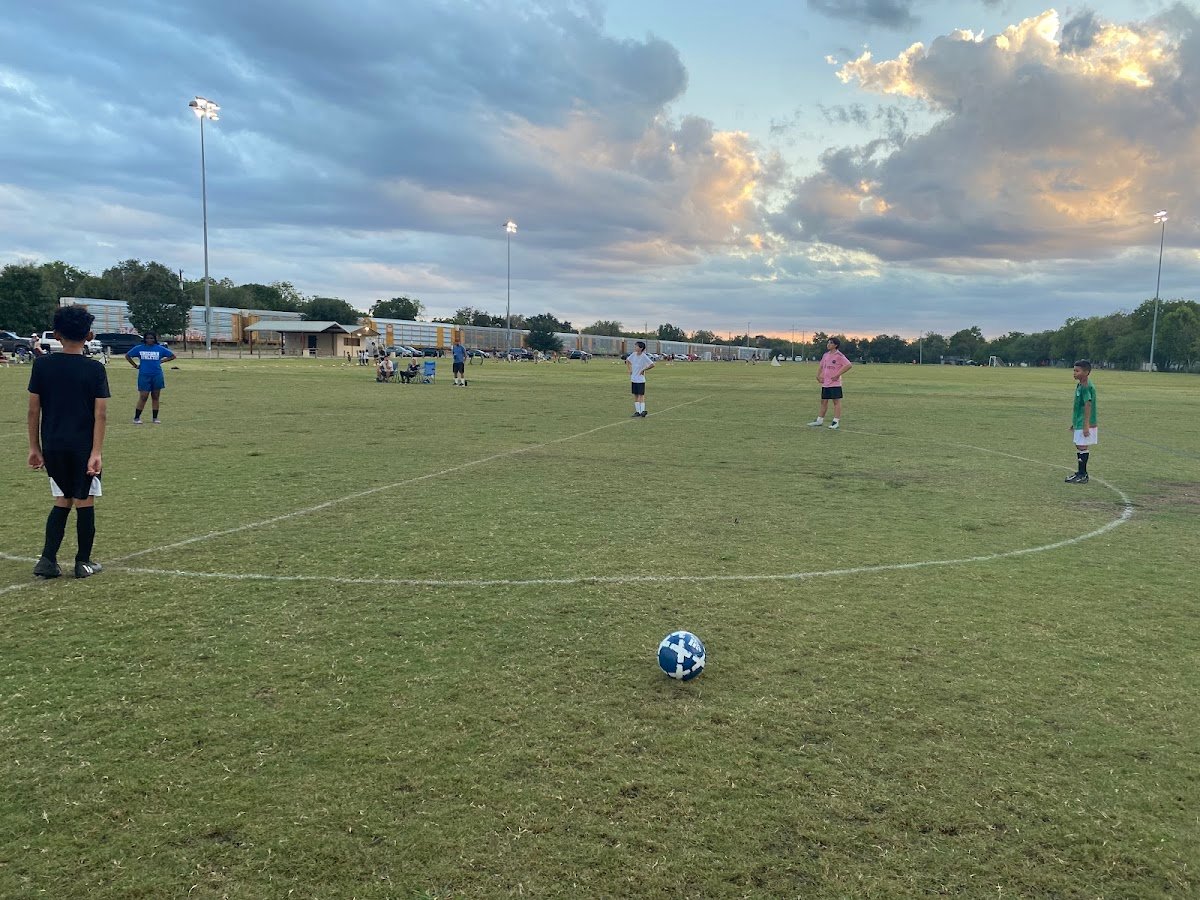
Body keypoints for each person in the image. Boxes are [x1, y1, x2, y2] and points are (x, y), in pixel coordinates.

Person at [27, 304, 110, 579]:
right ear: (89, 335)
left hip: (52, 444)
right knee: (84, 500)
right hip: (82, 446)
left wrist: (34, 447)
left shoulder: (42, 364)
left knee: (62, 498)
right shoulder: (95, 369)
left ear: (57, 334)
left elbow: (33, 410)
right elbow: (100, 414)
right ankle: (83, 562)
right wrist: (96, 452)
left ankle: (47, 560)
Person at [126, 332, 176, 424]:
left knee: (155, 396)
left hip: (157, 375)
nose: (150, 340)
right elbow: (128, 355)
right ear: (145, 339)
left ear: (155, 339)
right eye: (148, 338)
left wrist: (161, 361)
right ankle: (136, 418)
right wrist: (135, 365)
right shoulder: (139, 348)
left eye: (152, 338)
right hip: (144, 375)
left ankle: (155, 418)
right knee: (143, 396)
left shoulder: (159, 349)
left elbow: (172, 356)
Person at [808, 337, 853, 430]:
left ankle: (836, 421)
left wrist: (838, 374)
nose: (828, 344)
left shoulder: (839, 355)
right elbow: (821, 366)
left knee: (836, 402)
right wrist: (818, 375)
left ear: (835, 345)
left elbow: (848, 365)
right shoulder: (825, 355)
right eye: (828, 343)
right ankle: (819, 420)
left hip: (835, 383)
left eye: (831, 343)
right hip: (825, 383)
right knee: (824, 401)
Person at [1066, 359, 1097, 484]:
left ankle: (1083, 474)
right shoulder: (1080, 384)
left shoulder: (1086, 386)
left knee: (1082, 446)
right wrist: (1075, 423)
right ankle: (1080, 473)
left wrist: (1086, 426)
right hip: (1079, 421)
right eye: (1074, 370)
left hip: (1085, 422)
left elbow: (1088, 405)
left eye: (1077, 371)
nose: (1074, 373)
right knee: (1079, 446)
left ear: (1086, 372)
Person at [626, 340, 655, 417]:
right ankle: (637, 412)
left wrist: (644, 369)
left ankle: (642, 411)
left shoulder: (644, 356)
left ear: (641, 348)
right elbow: (627, 361)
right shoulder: (633, 354)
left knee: (641, 395)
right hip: (633, 378)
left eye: (636, 346)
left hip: (640, 379)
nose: (635, 347)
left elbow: (652, 364)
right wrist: (629, 369)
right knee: (635, 395)